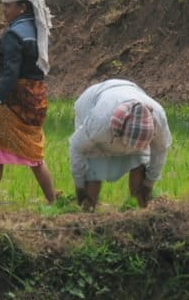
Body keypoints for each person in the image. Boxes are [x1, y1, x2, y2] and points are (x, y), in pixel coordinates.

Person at [0, 0, 56, 209]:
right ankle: (53, 204)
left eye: (7, 6)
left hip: (12, 101)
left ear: (22, 7)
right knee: (36, 157)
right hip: (36, 100)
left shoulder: (13, 35)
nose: (4, 10)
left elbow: (10, 74)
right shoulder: (39, 31)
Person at [69, 79, 172, 210]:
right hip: (92, 102)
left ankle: (138, 210)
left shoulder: (158, 117)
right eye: (131, 145)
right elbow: (77, 149)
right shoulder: (99, 123)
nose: (132, 149)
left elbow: (160, 149)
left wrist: (149, 183)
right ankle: (88, 209)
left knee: (140, 163)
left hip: (129, 92)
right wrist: (80, 186)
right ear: (119, 132)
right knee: (93, 168)